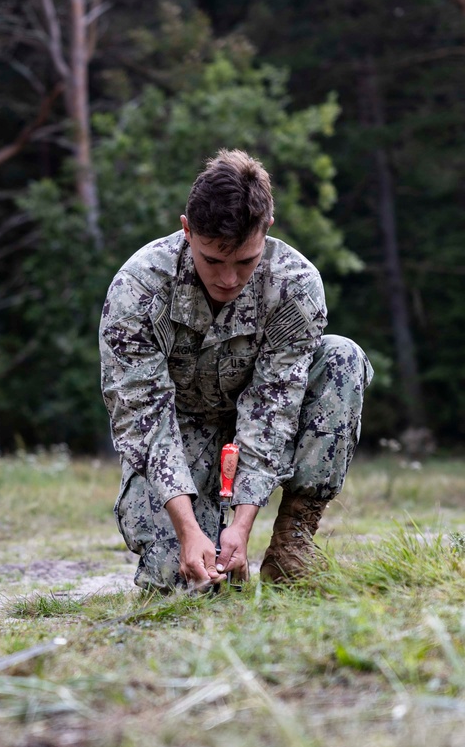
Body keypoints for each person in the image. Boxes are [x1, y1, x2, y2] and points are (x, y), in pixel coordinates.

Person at [99, 149, 372, 589]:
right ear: (187, 230)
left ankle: (292, 543)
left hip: (257, 420)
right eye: (212, 260)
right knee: (181, 579)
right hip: (179, 428)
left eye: (244, 262)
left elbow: (274, 406)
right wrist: (189, 530)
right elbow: (143, 418)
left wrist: (241, 526)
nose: (228, 279)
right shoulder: (138, 290)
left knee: (341, 357)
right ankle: (193, 539)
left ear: (267, 231)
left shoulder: (295, 286)